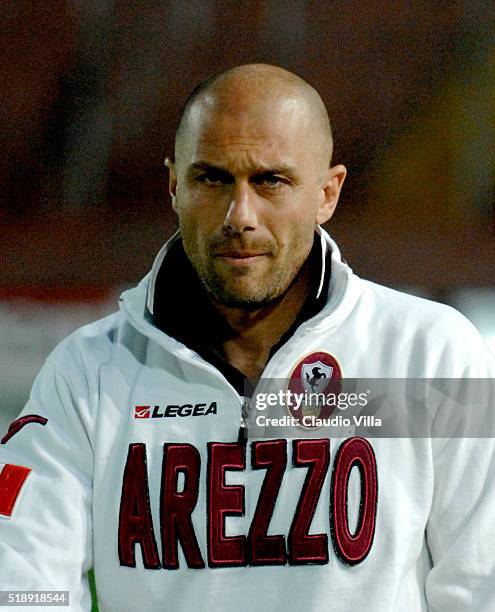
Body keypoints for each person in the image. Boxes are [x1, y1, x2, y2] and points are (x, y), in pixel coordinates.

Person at [1, 64, 494, 612]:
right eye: (212, 178)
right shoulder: (91, 373)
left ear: (327, 193)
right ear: (174, 186)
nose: (241, 215)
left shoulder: (430, 355)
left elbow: (482, 584)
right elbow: (22, 583)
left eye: (270, 181)